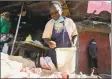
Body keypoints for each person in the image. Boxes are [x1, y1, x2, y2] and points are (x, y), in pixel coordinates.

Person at [42, 1, 78, 68]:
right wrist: (49, 42)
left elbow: (75, 34)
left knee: (66, 72)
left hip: (67, 53)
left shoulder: (69, 22)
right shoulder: (49, 24)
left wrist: (73, 43)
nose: (54, 15)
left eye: (56, 11)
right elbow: (45, 38)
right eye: (52, 13)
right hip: (54, 54)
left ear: (61, 10)